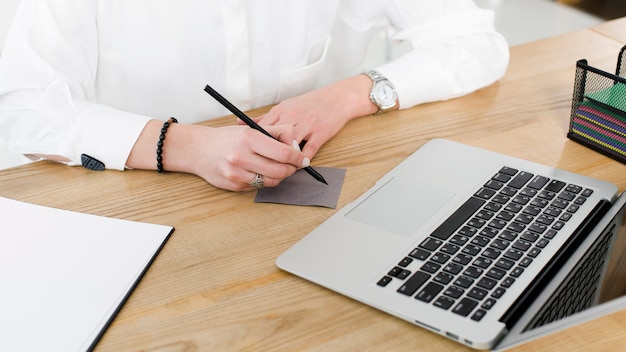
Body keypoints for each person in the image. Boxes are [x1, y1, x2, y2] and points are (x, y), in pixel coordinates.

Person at [0, 1, 509, 191]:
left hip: (303, 202)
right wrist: (189, 147)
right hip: (129, 201)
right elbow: (24, 111)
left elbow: (477, 44)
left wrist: (348, 96)